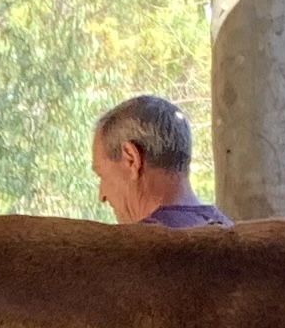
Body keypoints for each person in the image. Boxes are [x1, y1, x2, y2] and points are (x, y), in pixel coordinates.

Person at [89, 96, 229, 230]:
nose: (102, 196)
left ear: (131, 159)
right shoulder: (231, 232)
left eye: (101, 175)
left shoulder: (136, 249)